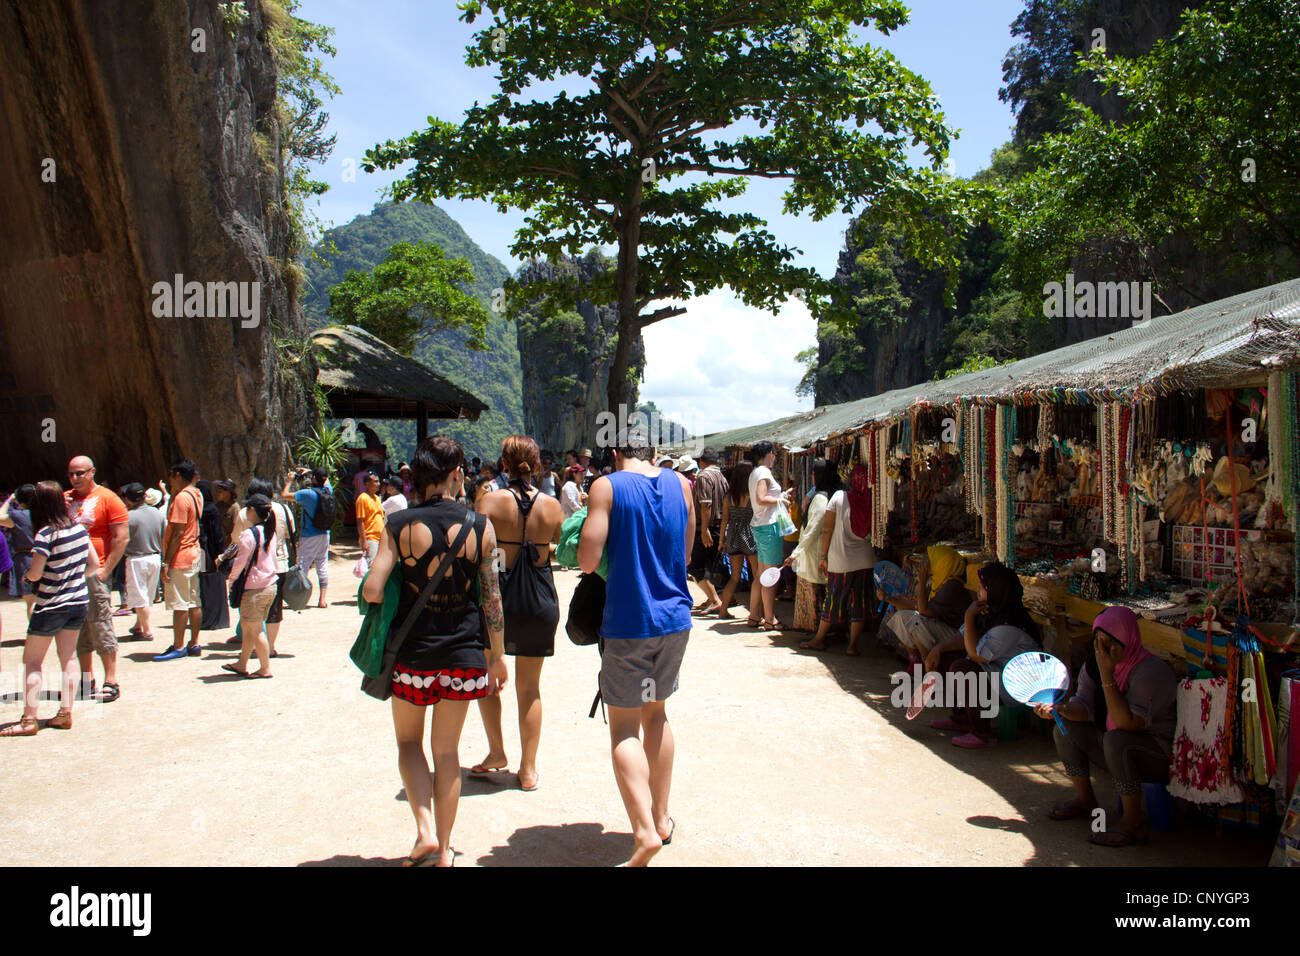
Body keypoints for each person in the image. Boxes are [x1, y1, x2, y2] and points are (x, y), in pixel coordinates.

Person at [362, 435, 508, 868]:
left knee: (409, 741)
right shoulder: (483, 526)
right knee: (448, 753)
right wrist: (496, 656)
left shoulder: (398, 524)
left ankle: (424, 831)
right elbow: (492, 597)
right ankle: (445, 850)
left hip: (414, 658)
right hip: (464, 657)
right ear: (457, 475)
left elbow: (373, 590)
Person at [577, 427, 693, 866]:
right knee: (657, 713)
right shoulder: (681, 485)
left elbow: (587, 560)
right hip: (674, 620)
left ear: (615, 452)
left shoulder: (606, 486)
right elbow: (683, 554)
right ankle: (661, 818)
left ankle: (643, 832)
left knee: (624, 727)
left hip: (629, 622)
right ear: (656, 453)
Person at [470, 436, 565, 791]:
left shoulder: (489, 500)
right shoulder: (552, 506)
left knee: (489, 680)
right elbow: (558, 544)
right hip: (540, 596)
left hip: (499, 595)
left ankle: (497, 752)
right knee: (530, 689)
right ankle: (528, 770)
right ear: (537, 464)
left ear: (503, 463)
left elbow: (476, 547)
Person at [1040, 606, 1178, 847]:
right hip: (1115, 748)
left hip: (1158, 755)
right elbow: (1084, 706)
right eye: (1097, 641)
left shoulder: (1150, 671)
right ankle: (1085, 800)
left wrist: (1107, 675)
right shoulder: (1095, 665)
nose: (1102, 650)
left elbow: (1127, 723)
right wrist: (1059, 709)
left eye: (1110, 643)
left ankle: (1133, 821)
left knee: (1118, 740)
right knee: (1065, 729)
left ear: (1128, 639)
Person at [1, 481, 101, 736]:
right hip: (77, 602)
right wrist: (72, 578)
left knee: (33, 661)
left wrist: (29, 579)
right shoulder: (79, 529)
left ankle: (28, 719)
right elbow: (93, 564)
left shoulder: (45, 534)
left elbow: (35, 573)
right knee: (67, 658)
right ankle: (65, 713)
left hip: (50, 605)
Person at [926, 561, 1041, 749]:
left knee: (962, 669)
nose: (978, 589)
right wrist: (939, 649)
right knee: (947, 657)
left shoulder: (1010, 622)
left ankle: (983, 733)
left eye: (983, 586)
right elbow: (963, 637)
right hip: (995, 670)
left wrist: (968, 616)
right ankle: (961, 718)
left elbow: (976, 655)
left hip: (1015, 684)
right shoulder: (988, 611)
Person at [65, 455, 128, 701]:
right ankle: (86, 677)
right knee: (77, 625)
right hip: (70, 576)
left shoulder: (108, 499)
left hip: (94, 573)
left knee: (100, 622)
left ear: (92, 472)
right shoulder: (64, 500)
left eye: (80, 473)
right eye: (71, 474)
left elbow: (122, 537)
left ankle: (111, 680)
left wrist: (105, 570)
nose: (75, 478)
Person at [799, 463, 875, 654]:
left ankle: (819, 639)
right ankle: (852, 646)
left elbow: (827, 529)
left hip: (840, 560)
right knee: (859, 602)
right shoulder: (871, 499)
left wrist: (823, 557)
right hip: (866, 559)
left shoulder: (839, 497)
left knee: (833, 600)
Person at [220, 494, 278, 679]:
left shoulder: (248, 535)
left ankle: (265, 667)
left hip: (254, 589)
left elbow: (240, 563)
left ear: (252, 510)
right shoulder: (269, 532)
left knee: (255, 629)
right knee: (248, 626)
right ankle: (242, 663)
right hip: (269, 585)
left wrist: (231, 581)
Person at [883, 546, 971, 666]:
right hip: (941, 627)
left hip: (956, 635)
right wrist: (888, 598)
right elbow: (917, 606)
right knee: (901, 617)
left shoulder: (952, 586)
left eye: (933, 560)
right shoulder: (939, 582)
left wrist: (922, 583)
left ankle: (928, 666)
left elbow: (923, 611)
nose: (927, 564)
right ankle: (915, 660)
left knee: (917, 622)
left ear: (943, 564)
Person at [154, 460, 204, 663]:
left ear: (176, 475)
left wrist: (166, 562)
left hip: (181, 556)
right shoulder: (196, 493)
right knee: (194, 601)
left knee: (180, 604)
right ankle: (194, 642)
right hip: (193, 552)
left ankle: (178, 645)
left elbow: (177, 532)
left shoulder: (182, 498)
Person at [785, 459, 839, 632]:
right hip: (819, 551)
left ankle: (818, 631)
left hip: (814, 552)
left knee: (816, 592)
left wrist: (796, 552)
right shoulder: (833, 493)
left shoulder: (821, 498)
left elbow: (812, 529)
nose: (812, 476)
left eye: (814, 473)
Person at [746, 441, 792, 631]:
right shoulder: (763, 472)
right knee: (770, 575)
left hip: (760, 526)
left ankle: (755, 615)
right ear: (770, 454)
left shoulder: (755, 472)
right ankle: (770, 618)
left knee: (761, 574)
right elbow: (761, 498)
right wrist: (781, 500)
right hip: (769, 527)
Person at [119, 483, 164, 642]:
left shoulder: (128, 517)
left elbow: (121, 539)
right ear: (144, 496)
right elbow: (164, 535)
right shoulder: (157, 513)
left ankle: (147, 631)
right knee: (147, 596)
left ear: (128, 499)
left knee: (139, 597)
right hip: (155, 557)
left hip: (136, 559)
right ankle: (139, 625)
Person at [687, 447, 728, 616]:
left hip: (706, 528)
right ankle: (714, 598)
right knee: (710, 565)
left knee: (695, 565)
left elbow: (706, 504)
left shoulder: (704, 476)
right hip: (718, 527)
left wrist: (704, 529)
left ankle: (715, 599)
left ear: (701, 462)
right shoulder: (721, 477)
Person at [715, 460, 757, 619]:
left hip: (733, 534)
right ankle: (755, 613)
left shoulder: (729, 496)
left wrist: (721, 541)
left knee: (734, 576)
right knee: (757, 575)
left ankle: (723, 610)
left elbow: (725, 520)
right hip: (750, 534)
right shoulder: (752, 495)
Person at [283, 467, 331, 609]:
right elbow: (326, 479)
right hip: (325, 533)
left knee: (303, 565)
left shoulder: (307, 494)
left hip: (309, 535)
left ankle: (300, 598)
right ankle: (322, 600)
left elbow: (284, 495)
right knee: (322, 564)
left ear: (314, 479)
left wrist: (290, 480)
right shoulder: (329, 491)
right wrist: (311, 471)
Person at [195, 479, 231, 632]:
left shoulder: (201, 510)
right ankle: (218, 619)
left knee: (206, 586)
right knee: (216, 585)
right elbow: (218, 535)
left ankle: (208, 618)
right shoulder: (212, 509)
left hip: (204, 553)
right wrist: (221, 553)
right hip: (214, 553)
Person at [1, 484, 38, 617]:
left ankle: (36, 634)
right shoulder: (44, 513)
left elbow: (0, 517)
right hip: (46, 557)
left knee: (31, 601)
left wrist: (9, 500)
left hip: (26, 561)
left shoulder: (18, 516)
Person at [355, 471, 385, 566]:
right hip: (370, 538)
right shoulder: (362, 498)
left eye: (378, 481)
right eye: (375, 482)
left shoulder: (377, 498)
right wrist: (364, 541)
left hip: (380, 538)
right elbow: (360, 522)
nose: (378, 484)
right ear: (367, 484)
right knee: (372, 567)